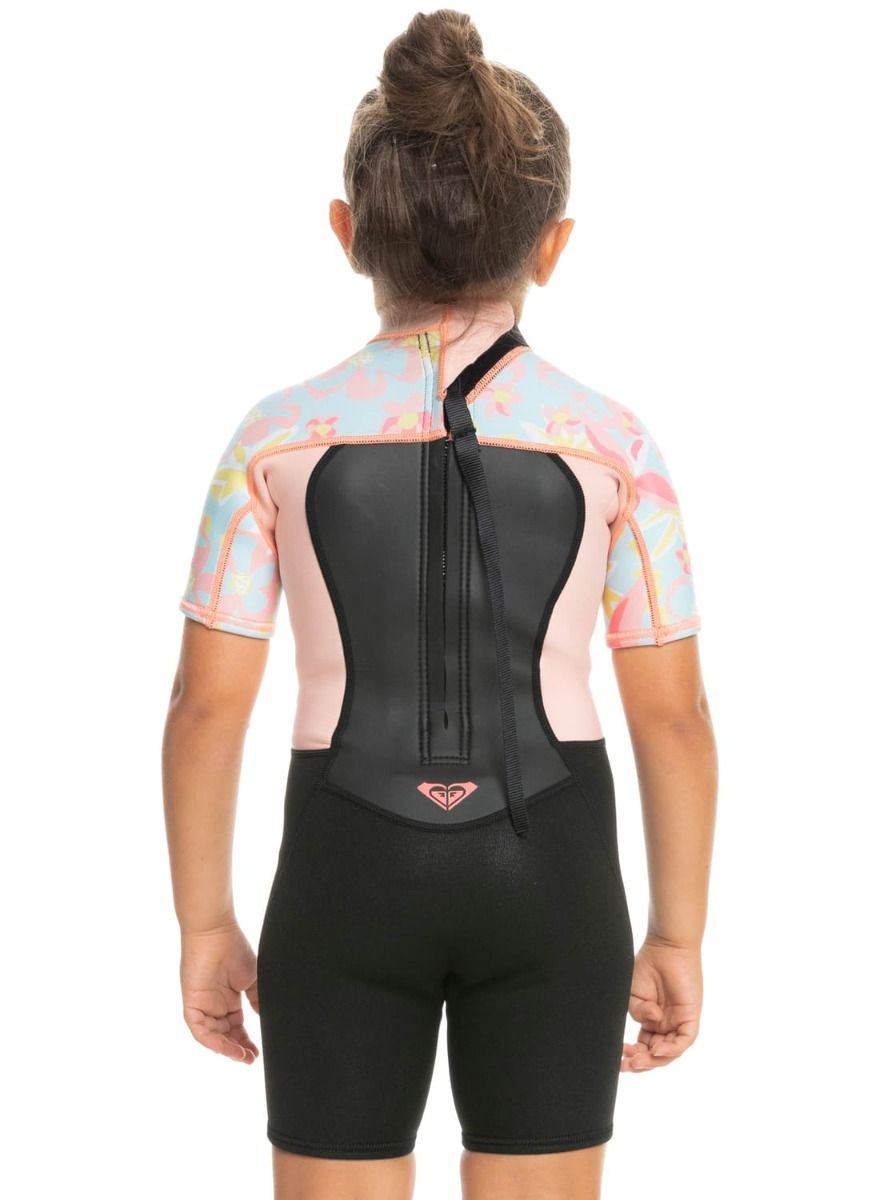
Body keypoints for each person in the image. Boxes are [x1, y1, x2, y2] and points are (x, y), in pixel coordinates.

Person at [162, 9, 718, 1199]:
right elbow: (673, 720)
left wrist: (205, 924)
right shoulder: (613, 445)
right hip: (553, 873)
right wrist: (674, 933)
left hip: (343, 871)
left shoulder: (273, 437)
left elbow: (204, 710)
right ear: (551, 245)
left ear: (346, 233)